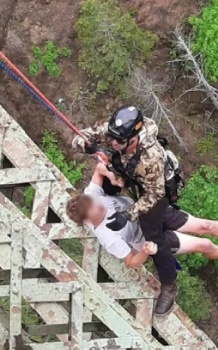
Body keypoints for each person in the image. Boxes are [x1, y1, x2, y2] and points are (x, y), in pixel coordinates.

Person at [66, 163, 218, 312]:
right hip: (150, 238)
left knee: (204, 225)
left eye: (95, 202)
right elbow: (131, 262)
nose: (99, 205)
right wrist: (144, 252)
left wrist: (111, 175)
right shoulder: (108, 237)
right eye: (95, 209)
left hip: (149, 213)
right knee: (204, 244)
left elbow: (99, 168)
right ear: (87, 220)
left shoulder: (91, 197)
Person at [73, 105, 180, 315]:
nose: (113, 142)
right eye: (112, 138)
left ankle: (169, 285)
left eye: (119, 141)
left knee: (153, 234)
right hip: (127, 168)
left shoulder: (152, 157)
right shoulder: (116, 132)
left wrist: (128, 214)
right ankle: (111, 198)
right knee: (104, 181)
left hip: (152, 186)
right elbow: (80, 137)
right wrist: (89, 147)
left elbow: (154, 195)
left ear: (134, 138)